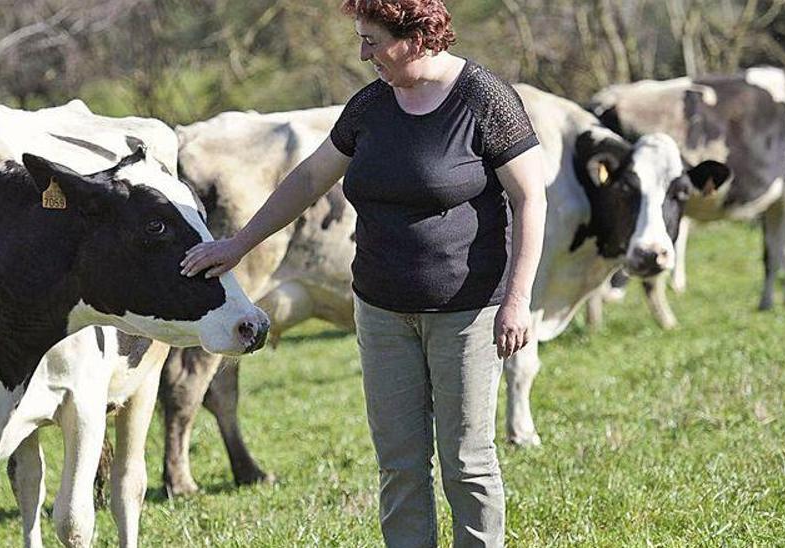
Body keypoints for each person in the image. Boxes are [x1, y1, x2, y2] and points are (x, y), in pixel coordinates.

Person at [180, 1, 547, 546]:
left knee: (467, 461)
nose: (362, 53)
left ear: (418, 37)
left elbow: (530, 198)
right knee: (399, 463)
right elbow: (308, 180)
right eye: (360, 39)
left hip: (465, 313)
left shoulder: (485, 99)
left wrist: (517, 299)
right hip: (380, 312)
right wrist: (237, 244)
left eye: (372, 41)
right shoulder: (371, 106)